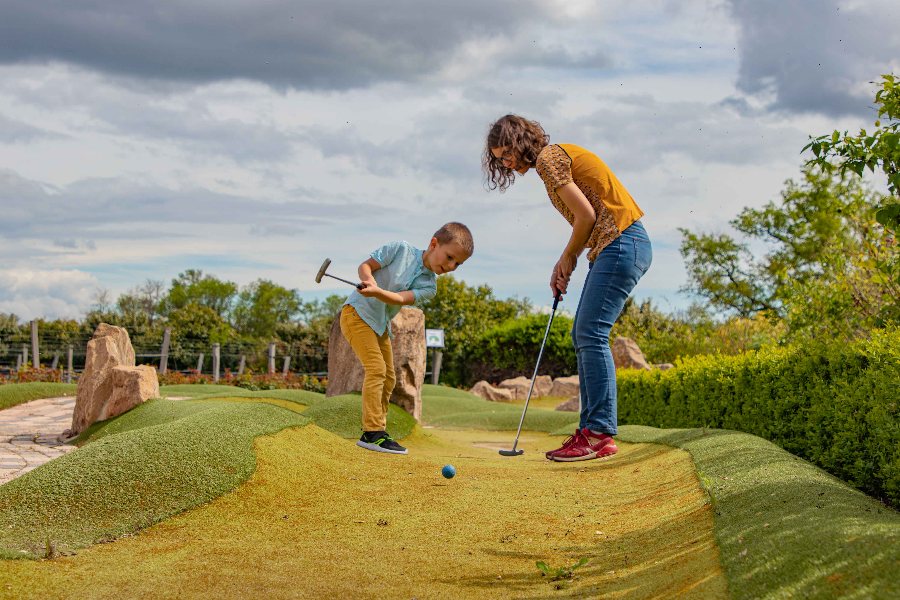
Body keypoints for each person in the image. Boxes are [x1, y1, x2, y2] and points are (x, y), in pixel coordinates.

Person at [483, 115, 652, 462]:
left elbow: (586, 216)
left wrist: (568, 256)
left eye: (506, 153)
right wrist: (568, 260)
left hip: (621, 242)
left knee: (590, 333)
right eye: (499, 158)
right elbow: (586, 219)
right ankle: (590, 430)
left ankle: (599, 433)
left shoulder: (549, 159)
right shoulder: (556, 158)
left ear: (519, 141)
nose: (505, 162)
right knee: (584, 333)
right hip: (616, 245)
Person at [342, 222, 473, 455]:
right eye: (450, 257)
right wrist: (369, 281)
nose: (451, 266)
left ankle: (377, 432)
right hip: (357, 313)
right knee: (376, 370)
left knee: (389, 377)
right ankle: (372, 433)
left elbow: (398, 299)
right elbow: (365, 266)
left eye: (458, 263)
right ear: (434, 244)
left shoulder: (429, 286)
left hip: (379, 324)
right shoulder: (399, 249)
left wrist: (377, 291)